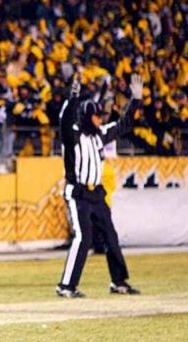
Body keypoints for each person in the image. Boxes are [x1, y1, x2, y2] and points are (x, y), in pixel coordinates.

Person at [55, 73, 143, 298]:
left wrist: (136, 100)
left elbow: (124, 125)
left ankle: (119, 282)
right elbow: (64, 120)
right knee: (83, 238)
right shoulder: (73, 136)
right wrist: (73, 97)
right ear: (86, 117)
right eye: (96, 117)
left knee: (110, 237)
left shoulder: (99, 135)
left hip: (97, 195)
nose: (100, 120)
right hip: (78, 194)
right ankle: (66, 285)